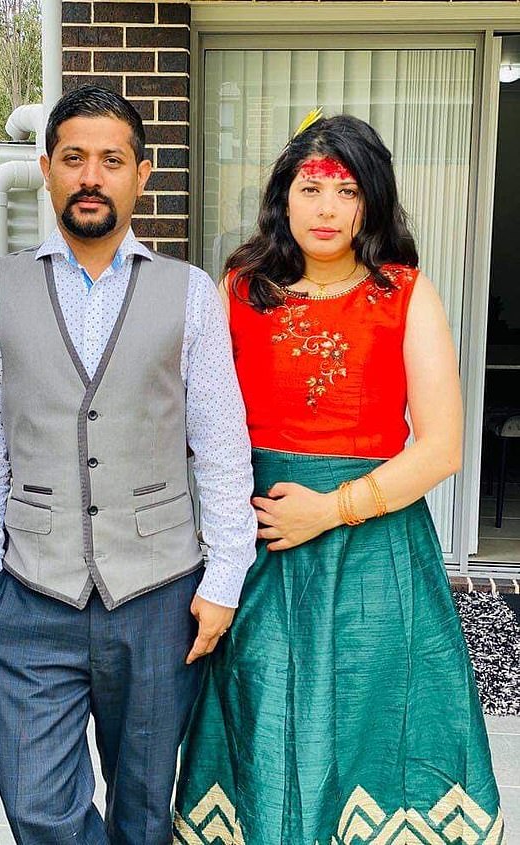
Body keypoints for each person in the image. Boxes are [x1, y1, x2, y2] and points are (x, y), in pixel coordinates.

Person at [174, 114, 505, 844]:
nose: (326, 208)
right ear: (283, 198)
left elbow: (443, 449)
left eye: (347, 191)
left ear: (370, 201)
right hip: (261, 553)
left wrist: (329, 510)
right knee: (264, 722)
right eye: (311, 188)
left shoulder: (406, 294)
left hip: (377, 555)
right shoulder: (239, 291)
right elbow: (201, 430)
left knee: (374, 728)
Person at [0, 85, 256, 845]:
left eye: (112, 160)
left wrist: (224, 579)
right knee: (39, 808)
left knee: (143, 812)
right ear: (46, 168)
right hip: (28, 595)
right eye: (74, 158)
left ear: (141, 175)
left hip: (160, 596)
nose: (91, 177)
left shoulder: (190, 294)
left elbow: (221, 444)